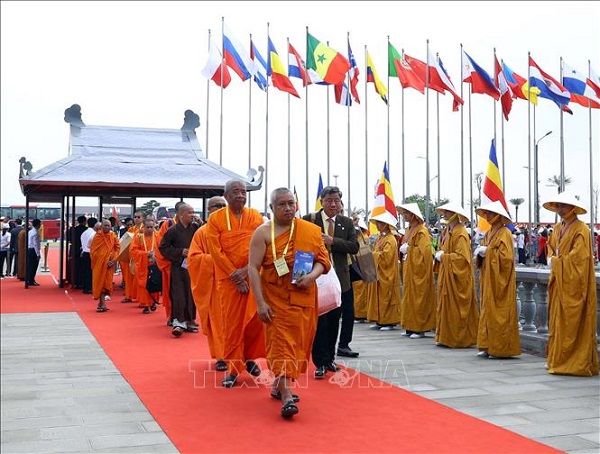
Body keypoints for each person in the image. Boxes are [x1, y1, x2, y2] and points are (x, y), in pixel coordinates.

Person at [248, 188, 330, 418]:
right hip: (274, 299)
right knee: (281, 345)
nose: (287, 208)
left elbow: (323, 261)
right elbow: (253, 268)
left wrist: (312, 276)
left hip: (303, 298)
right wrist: (260, 303)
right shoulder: (263, 233)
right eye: (282, 204)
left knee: (297, 345)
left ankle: (278, 385)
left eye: (291, 203)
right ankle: (286, 395)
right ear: (271, 208)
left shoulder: (309, 230)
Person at [206, 179, 266, 388]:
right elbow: (216, 250)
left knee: (253, 322)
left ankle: (249, 359)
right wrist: (234, 274)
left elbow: (262, 245)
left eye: (243, 192)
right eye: (235, 192)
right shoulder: (215, 219)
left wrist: (246, 271)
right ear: (226, 195)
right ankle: (233, 368)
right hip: (229, 280)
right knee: (232, 325)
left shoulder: (255, 216)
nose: (240, 195)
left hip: (252, 275)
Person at [303, 186, 359, 379]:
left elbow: (354, 246)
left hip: (340, 280)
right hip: (317, 278)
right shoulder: (310, 220)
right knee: (320, 321)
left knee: (336, 320)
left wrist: (333, 241)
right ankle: (319, 361)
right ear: (322, 201)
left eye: (336, 200)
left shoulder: (346, 223)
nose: (333, 204)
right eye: (329, 200)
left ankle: (330, 359)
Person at [543, 192, 598, 376]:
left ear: (573, 208)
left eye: (563, 206)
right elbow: (551, 248)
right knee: (557, 322)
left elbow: (579, 259)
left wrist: (557, 262)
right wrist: (552, 258)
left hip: (574, 285)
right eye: (558, 206)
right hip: (559, 282)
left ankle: (575, 362)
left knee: (573, 322)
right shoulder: (558, 228)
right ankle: (556, 358)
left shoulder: (581, 229)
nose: (560, 210)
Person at [474, 201, 520, 359]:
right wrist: (481, 253)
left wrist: (489, 252)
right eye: (486, 213)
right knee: (487, 310)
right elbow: (485, 251)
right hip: (489, 279)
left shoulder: (505, 233)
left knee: (499, 311)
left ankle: (500, 348)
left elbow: (506, 259)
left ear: (499, 216)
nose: (488, 216)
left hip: (500, 281)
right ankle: (487, 344)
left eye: (491, 214)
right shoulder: (489, 233)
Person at [188, 196, 228, 372]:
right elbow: (194, 259)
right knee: (218, 323)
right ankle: (221, 356)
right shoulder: (202, 233)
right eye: (216, 206)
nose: (220, 208)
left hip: (234, 283)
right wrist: (218, 260)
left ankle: (243, 356)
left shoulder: (235, 230)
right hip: (213, 285)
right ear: (208, 210)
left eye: (223, 205)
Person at [434, 202, 479, 348]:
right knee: (446, 306)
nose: (445, 214)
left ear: (455, 215)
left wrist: (444, 257)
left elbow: (462, 258)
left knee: (457, 308)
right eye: (445, 211)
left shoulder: (460, 232)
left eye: (447, 212)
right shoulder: (448, 231)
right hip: (447, 275)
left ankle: (459, 338)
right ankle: (446, 336)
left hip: (457, 278)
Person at [158, 203, 199, 336]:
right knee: (178, 294)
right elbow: (163, 248)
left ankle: (190, 320)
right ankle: (178, 322)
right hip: (178, 267)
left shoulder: (196, 228)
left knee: (191, 293)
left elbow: (205, 240)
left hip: (192, 266)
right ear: (180, 215)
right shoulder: (173, 230)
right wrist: (180, 252)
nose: (192, 215)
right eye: (189, 213)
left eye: (193, 212)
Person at [396, 203, 436, 339]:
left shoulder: (421, 231)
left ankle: (419, 328)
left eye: (407, 213)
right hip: (409, 268)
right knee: (409, 297)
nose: (405, 216)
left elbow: (424, 252)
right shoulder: (408, 230)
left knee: (419, 297)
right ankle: (409, 326)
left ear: (413, 215)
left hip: (419, 270)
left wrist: (409, 250)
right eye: (404, 213)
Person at [366, 213, 402, 330]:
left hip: (387, 273)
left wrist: (374, 255)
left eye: (379, 223)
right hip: (379, 272)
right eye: (376, 223)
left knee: (387, 296)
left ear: (386, 225)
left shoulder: (391, 239)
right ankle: (380, 320)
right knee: (379, 297)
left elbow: (387, 257)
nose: (377, 225)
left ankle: (389, 322)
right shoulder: (380, 238)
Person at [155, 201, 185, 325]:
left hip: (186, 265)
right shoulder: (168, 224)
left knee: (186, 292)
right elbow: (160, 246)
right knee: (171, 292)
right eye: (187, 212)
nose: (190, 214)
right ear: (178, 213)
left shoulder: (192, 225)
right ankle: (171, 316)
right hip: (170, 264)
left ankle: (186, 318)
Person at [129, 217, 161, 314]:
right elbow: (133, 251)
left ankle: (153, 302)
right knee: (143, 285)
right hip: (142, 265)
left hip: (155, 265)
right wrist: (146, 254)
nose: (150, 229)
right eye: (147, 227)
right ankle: (146, 305)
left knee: (155, 283)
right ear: (144, 227)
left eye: (152, 227)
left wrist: (155, 255)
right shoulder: (138, 237)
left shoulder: (157, 236)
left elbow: (162, 249)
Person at [90, 219, 120, 312]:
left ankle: (101, 303)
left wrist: (113, 259)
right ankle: (103, 304)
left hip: (110, 264)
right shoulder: (97, 237)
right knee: (100, 283)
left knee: (107, 284)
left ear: (111, 226)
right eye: (105, 225)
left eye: (108, 225)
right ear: (101, 226)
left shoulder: (113, 236)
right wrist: (103, 259)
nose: (107, 227)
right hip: (100, 265)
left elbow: (117, 248)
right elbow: (93, 251)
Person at [352, 215, 370, 323]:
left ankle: (362, 314)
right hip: (356, 266)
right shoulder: (355, 238)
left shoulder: (364, 238)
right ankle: (357, 313)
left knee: (362, 292)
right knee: (356, 292)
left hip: (363, 267)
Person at [80, 217, 99, 294]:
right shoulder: (94, 234)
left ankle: (85, 287)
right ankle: (90, 287)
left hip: (84, 253)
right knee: (91, 272)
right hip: (91, 253)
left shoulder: (84, 233)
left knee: (85, 271)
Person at [70, 215, 88, 289]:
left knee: (76, 267)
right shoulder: (86, 230)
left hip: (75, 250)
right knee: (84, 268)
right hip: (84, 250)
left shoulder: (72, 229)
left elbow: (70, 239)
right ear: (84, 221)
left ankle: (76, 283)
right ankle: (83, 283)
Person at [26, 219, 42, 286]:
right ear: (38, 224)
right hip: (33, 250)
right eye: (40, 224)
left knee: (30, 265)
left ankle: (30, 279)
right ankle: (31, 280)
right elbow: (35, 244)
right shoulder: (35, 232)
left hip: (30, 249)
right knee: (34, 266)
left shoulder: (31, 231)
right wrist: (38, 254)